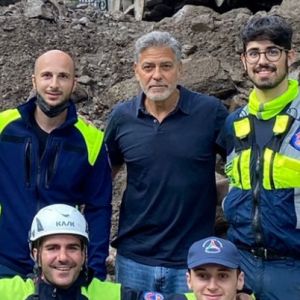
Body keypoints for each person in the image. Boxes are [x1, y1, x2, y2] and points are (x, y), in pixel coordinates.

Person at [105, 31, 228, 293]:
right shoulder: (122, 117)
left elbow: (243, 168)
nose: (157, 75)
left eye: (166, 66)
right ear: (136, 70)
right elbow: (103, 178)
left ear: (180, 69)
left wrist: (222, 192)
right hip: (134, 258)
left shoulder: (210, 112)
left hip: (194, 259)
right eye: (148, 67)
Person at [0, 50, 112, 280]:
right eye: (46, 75)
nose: (54, 84)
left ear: (74, 82)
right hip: (4, 261)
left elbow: (99, 208)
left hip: (60, 268)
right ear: (34, 80)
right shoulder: (3, 127)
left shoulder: (91, 140)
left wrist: (96, 269)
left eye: (62, 76)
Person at [0, 205, 251, 300]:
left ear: (85, 254)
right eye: (52, 248)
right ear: (35, 254)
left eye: (73, 248)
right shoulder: (13, 292)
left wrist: (229, 295)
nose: (63, 257)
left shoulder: (109, 294)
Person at [217, 15, 300, 300]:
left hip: (293, 268)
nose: (262, 60)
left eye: (272, 51)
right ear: (243, 61)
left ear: (291, 55)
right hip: (242, 265)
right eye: (254, 52)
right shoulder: (234, 124)